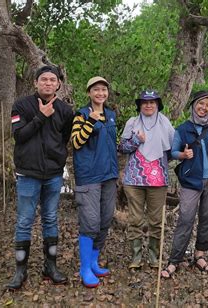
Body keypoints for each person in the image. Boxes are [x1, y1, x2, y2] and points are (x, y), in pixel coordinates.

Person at [8, 65, 73, 290]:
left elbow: (64, 138)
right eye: (43, 79)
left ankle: (50, 266)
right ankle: (20, 270)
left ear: (58, 84)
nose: (47, 83)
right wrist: (40, 117)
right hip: (28, 173)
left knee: (51, 218)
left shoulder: (65, 110)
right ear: (36, 83)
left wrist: (59, 159)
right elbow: (19, 136)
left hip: (53, 174)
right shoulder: (21, 106)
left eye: (52, 79)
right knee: (25, 221)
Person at [161, 90, 208, 278]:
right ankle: (175, 259)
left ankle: (200, 254)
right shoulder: (182, 129)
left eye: (207, 105)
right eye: (201, 103)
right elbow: (173, 152)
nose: (204, 108)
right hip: (191, 180)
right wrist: (183, 155)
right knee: (185, 219)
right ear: (193, 105)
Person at [118, 90, 175, 269]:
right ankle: (135, 257)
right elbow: (122, 147)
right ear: (139, 105)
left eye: (152, 102)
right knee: (135, 219)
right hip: (134, 179)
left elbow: (172, 150)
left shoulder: (165, 123)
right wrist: (136, 140)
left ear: (158, 104)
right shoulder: (132, 123)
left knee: (156, 220)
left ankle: (153, 256)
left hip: (158, 181)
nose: (148, 105)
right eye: (144, 102)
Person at [71, 76, 118, 288]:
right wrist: (91, 120)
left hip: (109, 176)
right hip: (89, 176)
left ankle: (93, 262)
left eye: (103, 90)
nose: (100, 93)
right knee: (90, 223)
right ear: (89, 93)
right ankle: (84, 268)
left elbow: (111, 144)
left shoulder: (111, 115)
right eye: (96, 90)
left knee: (105, 219)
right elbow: (76, 142)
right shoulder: (81, 115)